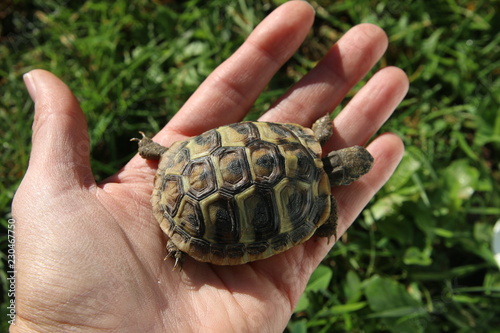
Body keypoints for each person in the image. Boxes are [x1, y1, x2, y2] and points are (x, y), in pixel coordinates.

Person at [11, 1, 408, 332]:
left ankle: (160, 155)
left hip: (191, 166)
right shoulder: (318, 206)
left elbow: (318, 136)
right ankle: (180, 228)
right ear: (346, 176)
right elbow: (322, 220)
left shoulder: (308, 140)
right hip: (204, 213)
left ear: (342, 161)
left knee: (215, 165)